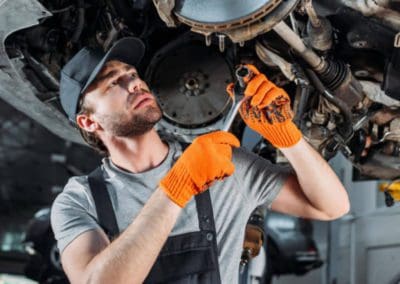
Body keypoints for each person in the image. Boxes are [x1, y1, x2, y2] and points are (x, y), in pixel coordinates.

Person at [51, 37, 350, 284]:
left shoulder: (220, 161)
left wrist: (288, 138)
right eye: (112, 83)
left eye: (131, 74)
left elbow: (331, 206)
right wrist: (176, 189)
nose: (133, 84)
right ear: (88, 122)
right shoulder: (79, 201)